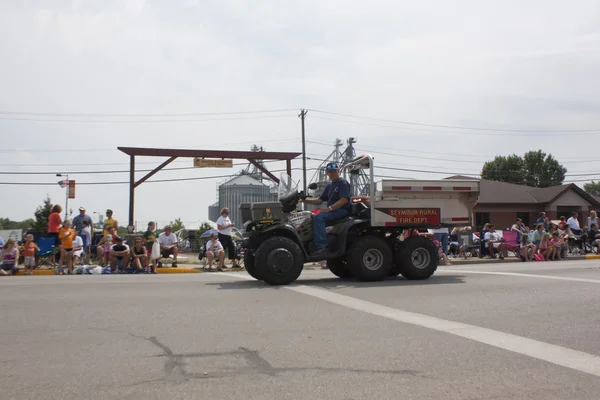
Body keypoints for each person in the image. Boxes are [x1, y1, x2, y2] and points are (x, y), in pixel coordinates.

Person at [300, 162, 351, 256]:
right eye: (329, 172)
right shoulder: (329, 186)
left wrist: (329, 208)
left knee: (318, 217)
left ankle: (322, 247)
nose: (331, 173)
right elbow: (319, 200)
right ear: (327, 173)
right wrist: (304, 200)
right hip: (333, 211)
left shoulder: (342, 182)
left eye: (333, 171)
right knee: (310, 216)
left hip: (341, 211)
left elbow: (344, 200)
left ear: (338, 171)